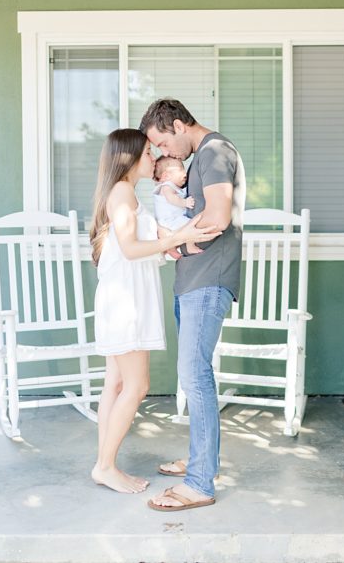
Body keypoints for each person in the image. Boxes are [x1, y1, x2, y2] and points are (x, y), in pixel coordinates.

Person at [89, 128, 221, 494]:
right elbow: (131, 249)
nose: (156, 158)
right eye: (149, 153)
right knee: (136, 384)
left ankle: (106, 462)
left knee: (115, 383)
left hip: (126, 295)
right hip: (125, 301)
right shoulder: (122, 193)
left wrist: (172, 242)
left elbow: (140, 245)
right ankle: (104, 466)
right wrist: (177, 238)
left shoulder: (126, 194)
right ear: (130, 158)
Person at [138, 99, 246, 512]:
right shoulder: (202, 158)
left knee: (194, 375)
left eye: (162, 142)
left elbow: (217, 216)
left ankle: (200, 481)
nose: (163, 152)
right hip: (193, 280)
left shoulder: (215, 152)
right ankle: (202, 460)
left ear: (180, 125)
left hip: (208, 280)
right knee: (193, 376)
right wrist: (177, 242)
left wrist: (173, 240)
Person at [152, 155, 202, 254]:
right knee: (190, 225)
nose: (184, 173)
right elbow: (172, 199)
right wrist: (185, 202)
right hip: (170, 220)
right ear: (166, 176)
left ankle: (171, 248)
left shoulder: (174, 186)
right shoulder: (167, 186)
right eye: (180, 169)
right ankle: (190, 246)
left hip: (172, 220)